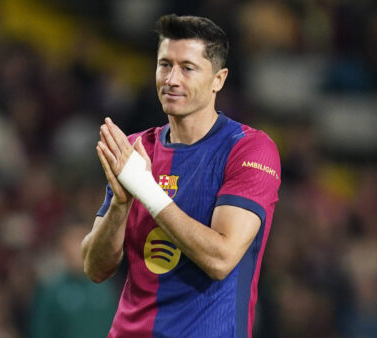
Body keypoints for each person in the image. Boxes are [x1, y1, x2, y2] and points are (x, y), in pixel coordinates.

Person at [81, 14, 281, 338]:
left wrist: (145, 189)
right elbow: (94, 267)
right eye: (164, 65)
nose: (171, 79)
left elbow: (221, 259)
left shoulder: (250, 149)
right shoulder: (137, 150)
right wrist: (120, 204)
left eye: (187, 68)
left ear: (218, 79)